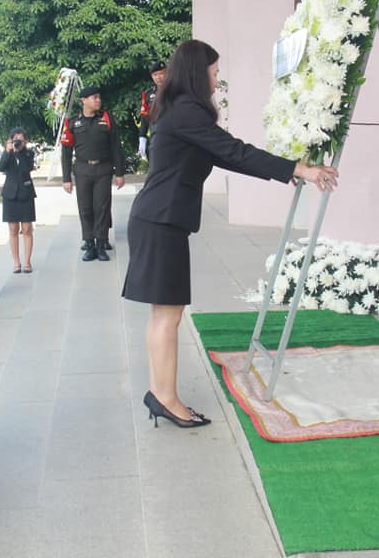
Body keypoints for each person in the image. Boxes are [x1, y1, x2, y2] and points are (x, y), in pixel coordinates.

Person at [121, 40, 338, 428]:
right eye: (214, 72)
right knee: (167, 315)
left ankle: (160, 393)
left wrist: (287, 169)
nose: (216, 80)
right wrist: (299, 169)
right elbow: (235, 150)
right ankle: (166, 398)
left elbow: (225, 155)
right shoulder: (187, 111)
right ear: (197, 72)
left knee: (163, 315)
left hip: (158, 218)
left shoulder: (178, 109)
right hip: (161, 221)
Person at [60, 85, 125, 262]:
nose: (98, 100)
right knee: (85, 208)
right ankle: (89, 244)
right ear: (84, 100)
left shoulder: (106, 118)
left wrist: (120, 173)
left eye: (99, 97)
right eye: (94, 98)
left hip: (103, 169)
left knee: (102, 207)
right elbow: (66, 152)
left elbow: (116, 147)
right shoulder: (73, 122)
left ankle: (101, 244)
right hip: (82, 170)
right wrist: (66, 178)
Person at [0, 128, 36, 273]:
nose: (18, 142)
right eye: (15, 139)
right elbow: (0, 167)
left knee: (27, 229)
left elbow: (27, 168)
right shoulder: (7, 153)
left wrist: (20, 152)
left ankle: (27, 262)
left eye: (21, 139)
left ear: (25, 141)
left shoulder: (29, 154)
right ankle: (16, 262)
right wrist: (9, 151)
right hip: (10, 194)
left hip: (26, 193)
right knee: (13, 229)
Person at [138, 60, 167, 159]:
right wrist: (142, 137)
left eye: (161, 74)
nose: (158, 77)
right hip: (156, 137)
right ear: (152, 76)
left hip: (173, 137)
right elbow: (145, 117)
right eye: (155, 75)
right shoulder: (148, 94)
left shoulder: (176, 91)